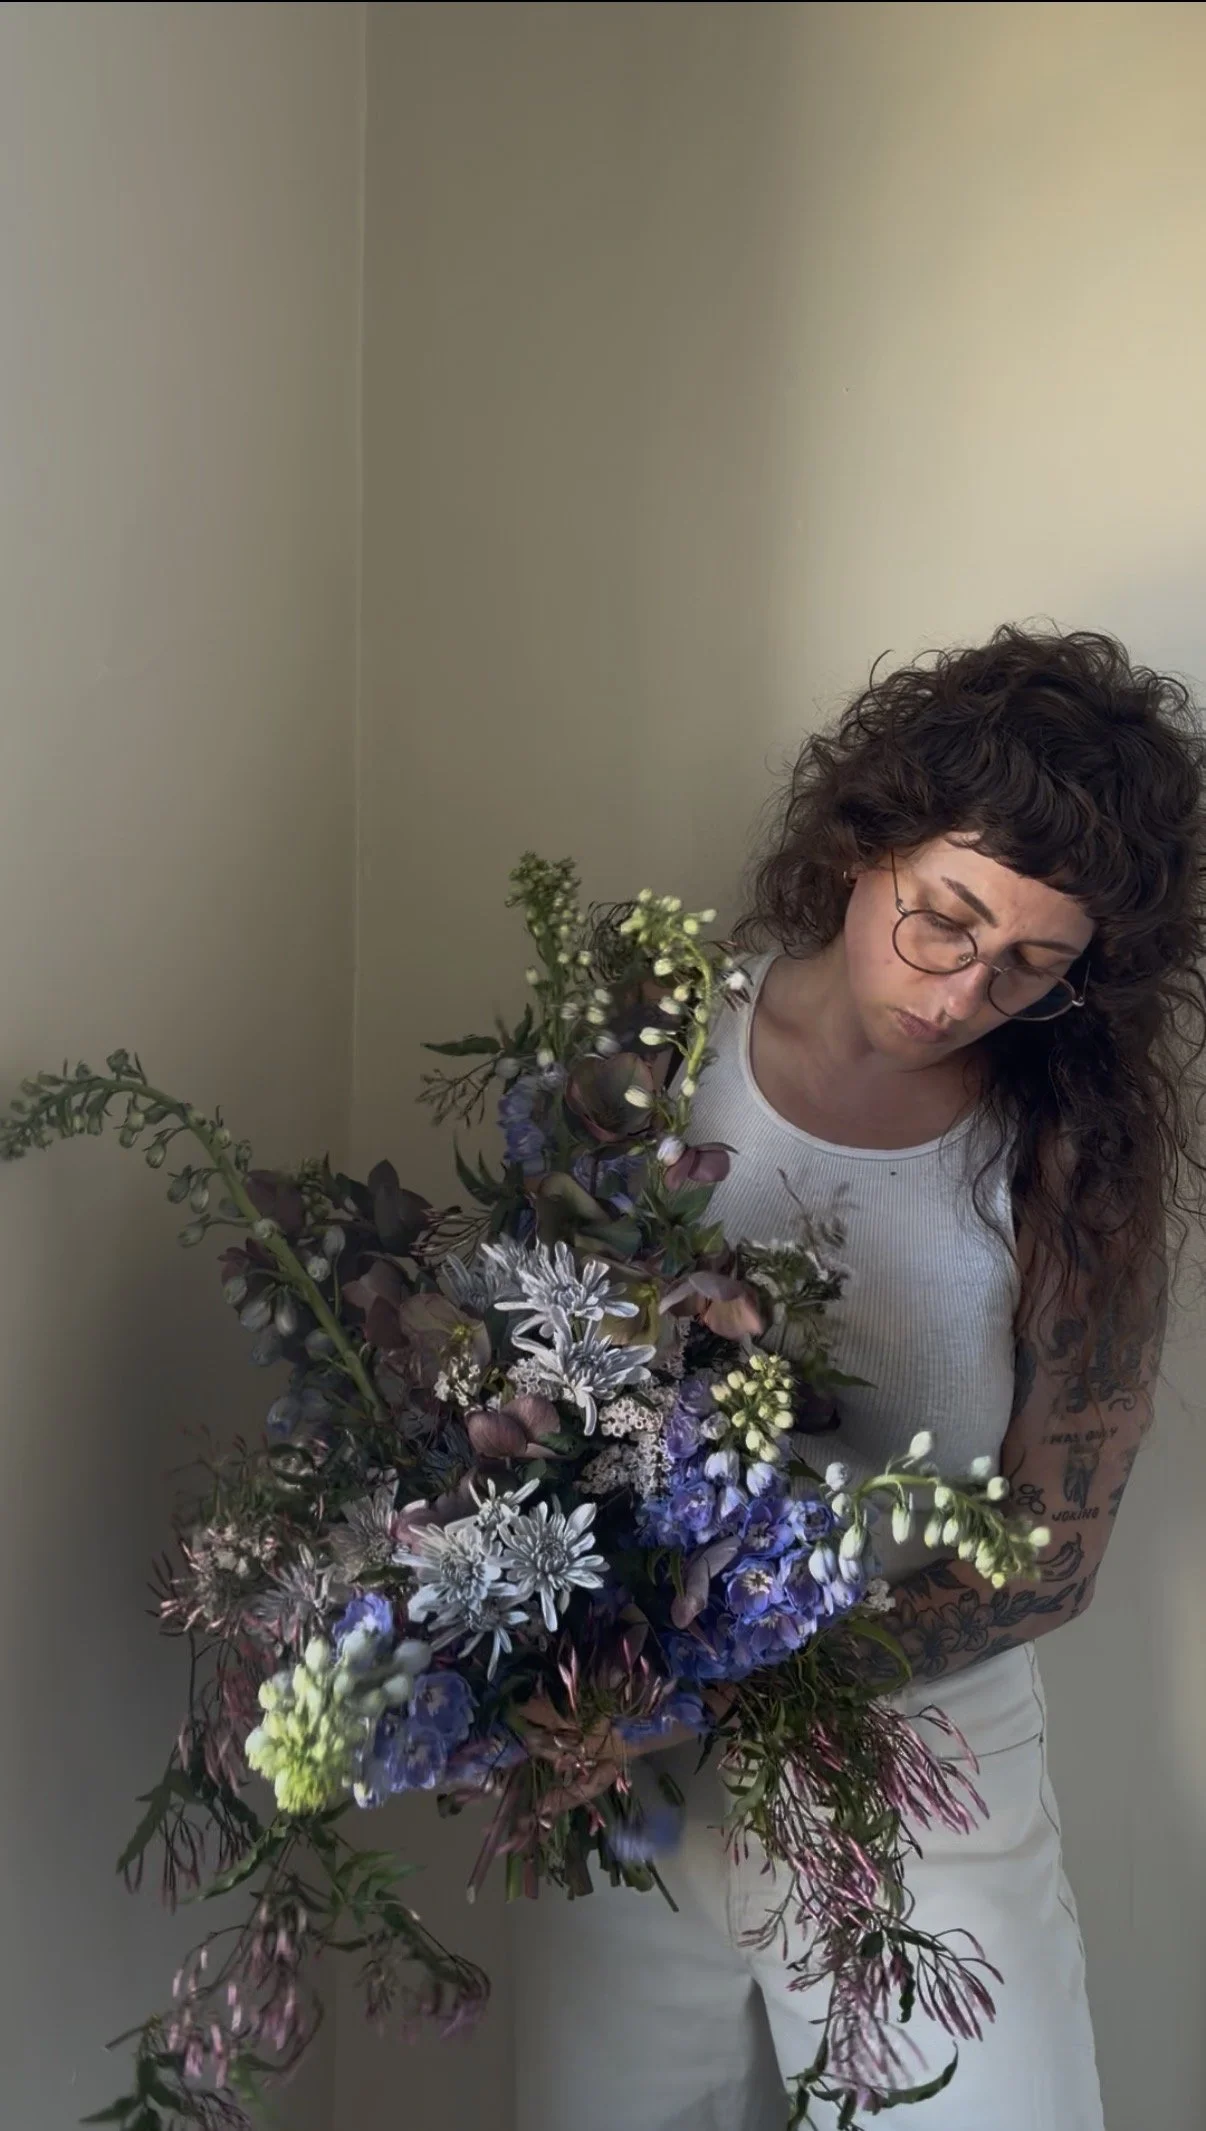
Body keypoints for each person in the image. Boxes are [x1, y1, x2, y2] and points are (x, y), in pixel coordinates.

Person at [512, 626, 1206, 2131]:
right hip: (627, 1760)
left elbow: (1052, 1542)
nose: (965, 990)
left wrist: (763, 1678)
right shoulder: (656, 1031)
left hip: (920, 1750)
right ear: (865, 840)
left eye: (1034, 965)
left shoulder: (1067, 1146)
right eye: (946, 918)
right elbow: (519, 1363)